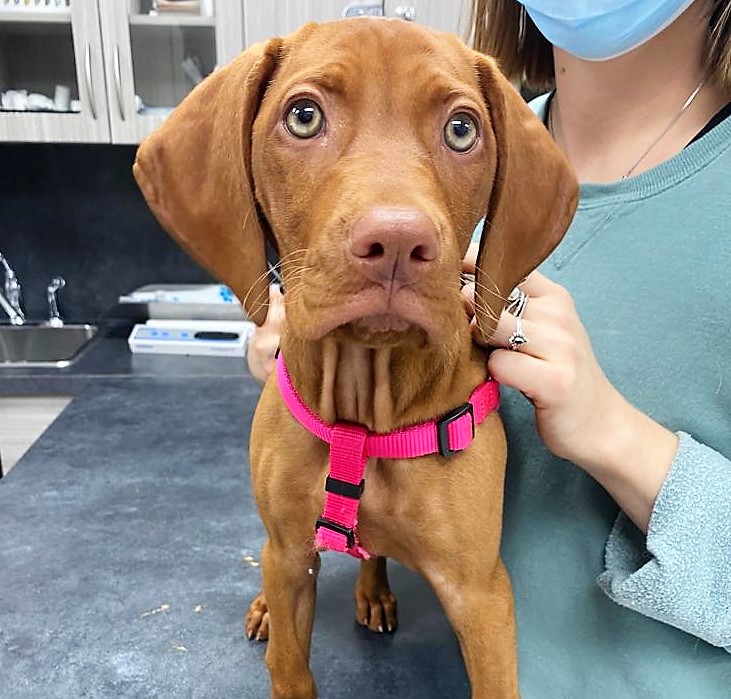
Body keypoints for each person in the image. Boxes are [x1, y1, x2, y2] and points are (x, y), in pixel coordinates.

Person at [247, 1, 731, 695]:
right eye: (306, 118)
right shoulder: (486, 123)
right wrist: (291, 323)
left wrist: (618, 437)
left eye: (457, 131)